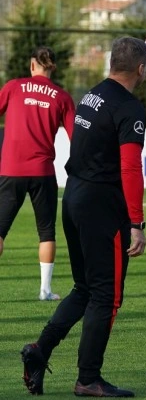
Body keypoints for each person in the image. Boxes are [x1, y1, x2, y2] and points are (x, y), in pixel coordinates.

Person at [21, 36, 146, 398]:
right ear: (141, 68)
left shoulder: (91, 95)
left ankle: (39, 350)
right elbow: (130, 167)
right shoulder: (129, 107)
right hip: (100, 207)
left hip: (73, 195)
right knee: (106, 295)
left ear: (112, 63)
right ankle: (88, 378)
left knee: (84, 288)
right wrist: (136, 223)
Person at [0, 46, 75, 301]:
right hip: (43, 172)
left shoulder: (13, 87)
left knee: (0, 230)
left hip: (11, 170)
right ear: (53, 66)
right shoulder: (62, 97)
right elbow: (77, 137)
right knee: (46, 231)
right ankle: (45, 291)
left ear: (33, 65)